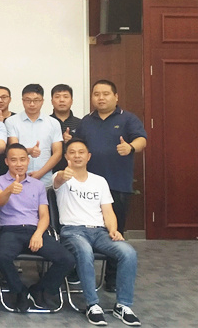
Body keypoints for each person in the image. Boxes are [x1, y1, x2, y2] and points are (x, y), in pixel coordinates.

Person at [53, 139, 141, 326]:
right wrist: (63, 174)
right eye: (72, 152)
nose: (77, 156)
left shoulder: (99, 181)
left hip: (100, 232)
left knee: (128, 253)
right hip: (73, 231)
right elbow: (58, 179)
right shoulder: (60, 177)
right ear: (66, 156)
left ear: (88, 156)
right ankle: (92, 304)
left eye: (81, 152)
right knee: (84, 251)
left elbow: (108, 211)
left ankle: (123, 305)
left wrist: (113, 230)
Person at [74, 79, 146, 293]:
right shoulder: (86, 121)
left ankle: (112, 278)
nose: (101, 98)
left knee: (115, 232)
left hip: (117, 184)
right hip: (86, 187)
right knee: (80, 229)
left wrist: (130, 147)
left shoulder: (128, 118)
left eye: (106, 94)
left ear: (116, 97)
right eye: (96, 94)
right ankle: (77, 271)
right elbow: (77, 146)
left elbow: (142, 140)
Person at [0, 143, 75, 313]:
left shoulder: (37, 185)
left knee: (68, 259)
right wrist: (9, 190)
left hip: (35, 230)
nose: (19, 164)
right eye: (14, 160)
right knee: (1, 256)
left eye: (22, 159)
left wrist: (38, 234)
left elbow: (44, 215)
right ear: (6, 161)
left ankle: (40, 289)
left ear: (28, 161)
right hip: (10, 230)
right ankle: (20, 291)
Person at [5, 84, 64, 188]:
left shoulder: (53, 123)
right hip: (18, 179)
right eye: (28, 100)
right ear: (22, 101)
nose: (32, 104)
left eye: (36, 100)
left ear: (42, 101)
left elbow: (58, 153)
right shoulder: (11, 121)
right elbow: (14, 149)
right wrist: (29, 151)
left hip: (45, 179)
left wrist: (39, 174)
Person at [50, 84, 82, 173]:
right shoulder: (46, 123)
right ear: (52, 101)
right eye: (57, 97)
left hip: (75, 172)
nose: (61, 100)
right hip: (49, 172)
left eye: (65, 97)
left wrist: (72, 141)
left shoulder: (81, 123)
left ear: (71, 101)